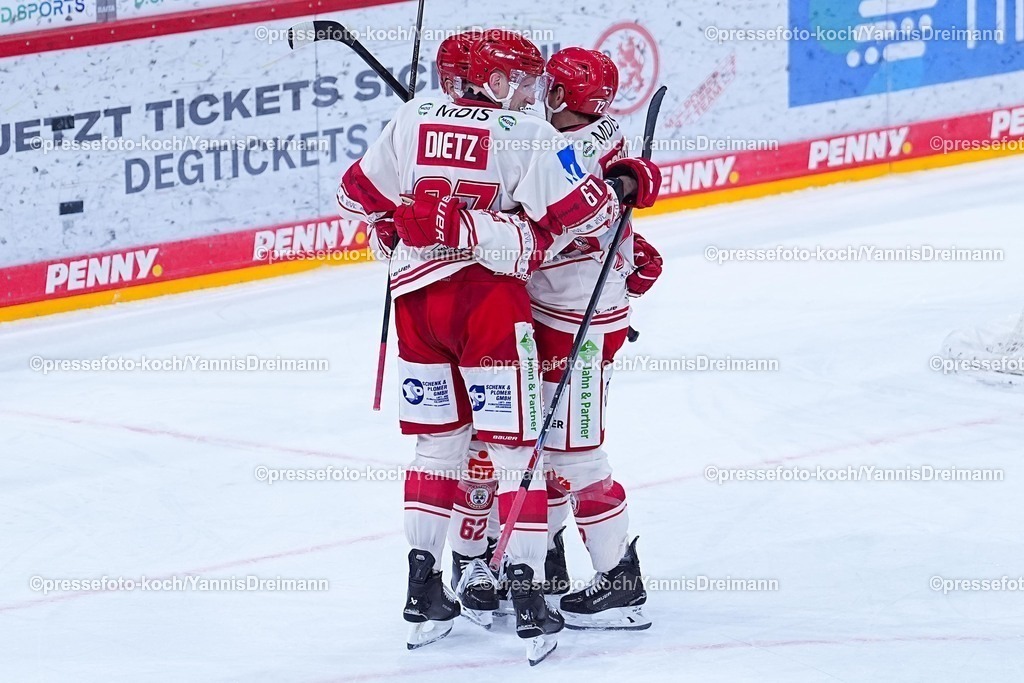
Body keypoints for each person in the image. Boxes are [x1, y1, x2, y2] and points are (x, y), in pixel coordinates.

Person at [335, 29, 656, 663]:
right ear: (493, 80)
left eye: (545, 86)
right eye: (526, 82)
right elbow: (583, 215)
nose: (534, 94)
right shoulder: (530, 134)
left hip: (500, 312)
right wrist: (620, 193)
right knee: (518, 449)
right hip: (506, 310)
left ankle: (604, 581)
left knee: (556, 453)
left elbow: (355, 197)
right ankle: (524, 583)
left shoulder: (417, 116)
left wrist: (409, 224)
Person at [445, 46, 664, 632]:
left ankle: (619, 577)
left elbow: (552, 224)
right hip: (552, 313)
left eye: (548, 86)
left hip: (581, 328)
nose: (538, 92)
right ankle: (547, 565)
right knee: (535, 443)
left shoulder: (557, 144)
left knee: (576, 452)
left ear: (562, 97)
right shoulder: (590, 136)